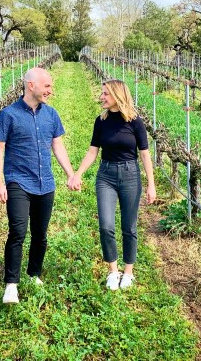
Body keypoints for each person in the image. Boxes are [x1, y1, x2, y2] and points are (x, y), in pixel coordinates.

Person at [0, 67, 74, 304]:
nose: (50, 90)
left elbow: (57, 146)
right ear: (31, 85)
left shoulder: (51, 115)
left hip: (45, 182)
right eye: (47, 86)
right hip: (18, 180)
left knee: (40, 233)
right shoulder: (8, 115)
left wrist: (70, 173)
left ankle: (34, 274)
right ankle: (11, 284)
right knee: (18, 231)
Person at [69, 79, 156, 290]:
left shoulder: (135, 122)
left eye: (106, 94)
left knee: (129, 226)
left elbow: (144, 155)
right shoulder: (101, 121)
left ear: (118, 95)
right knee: (106, 225)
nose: (102, 97)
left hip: (130, 175)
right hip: (106, 175)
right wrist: (77, 174)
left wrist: (151, 185)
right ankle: (113, 271)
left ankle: (128, 272)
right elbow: (92, 151)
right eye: (102, 93)